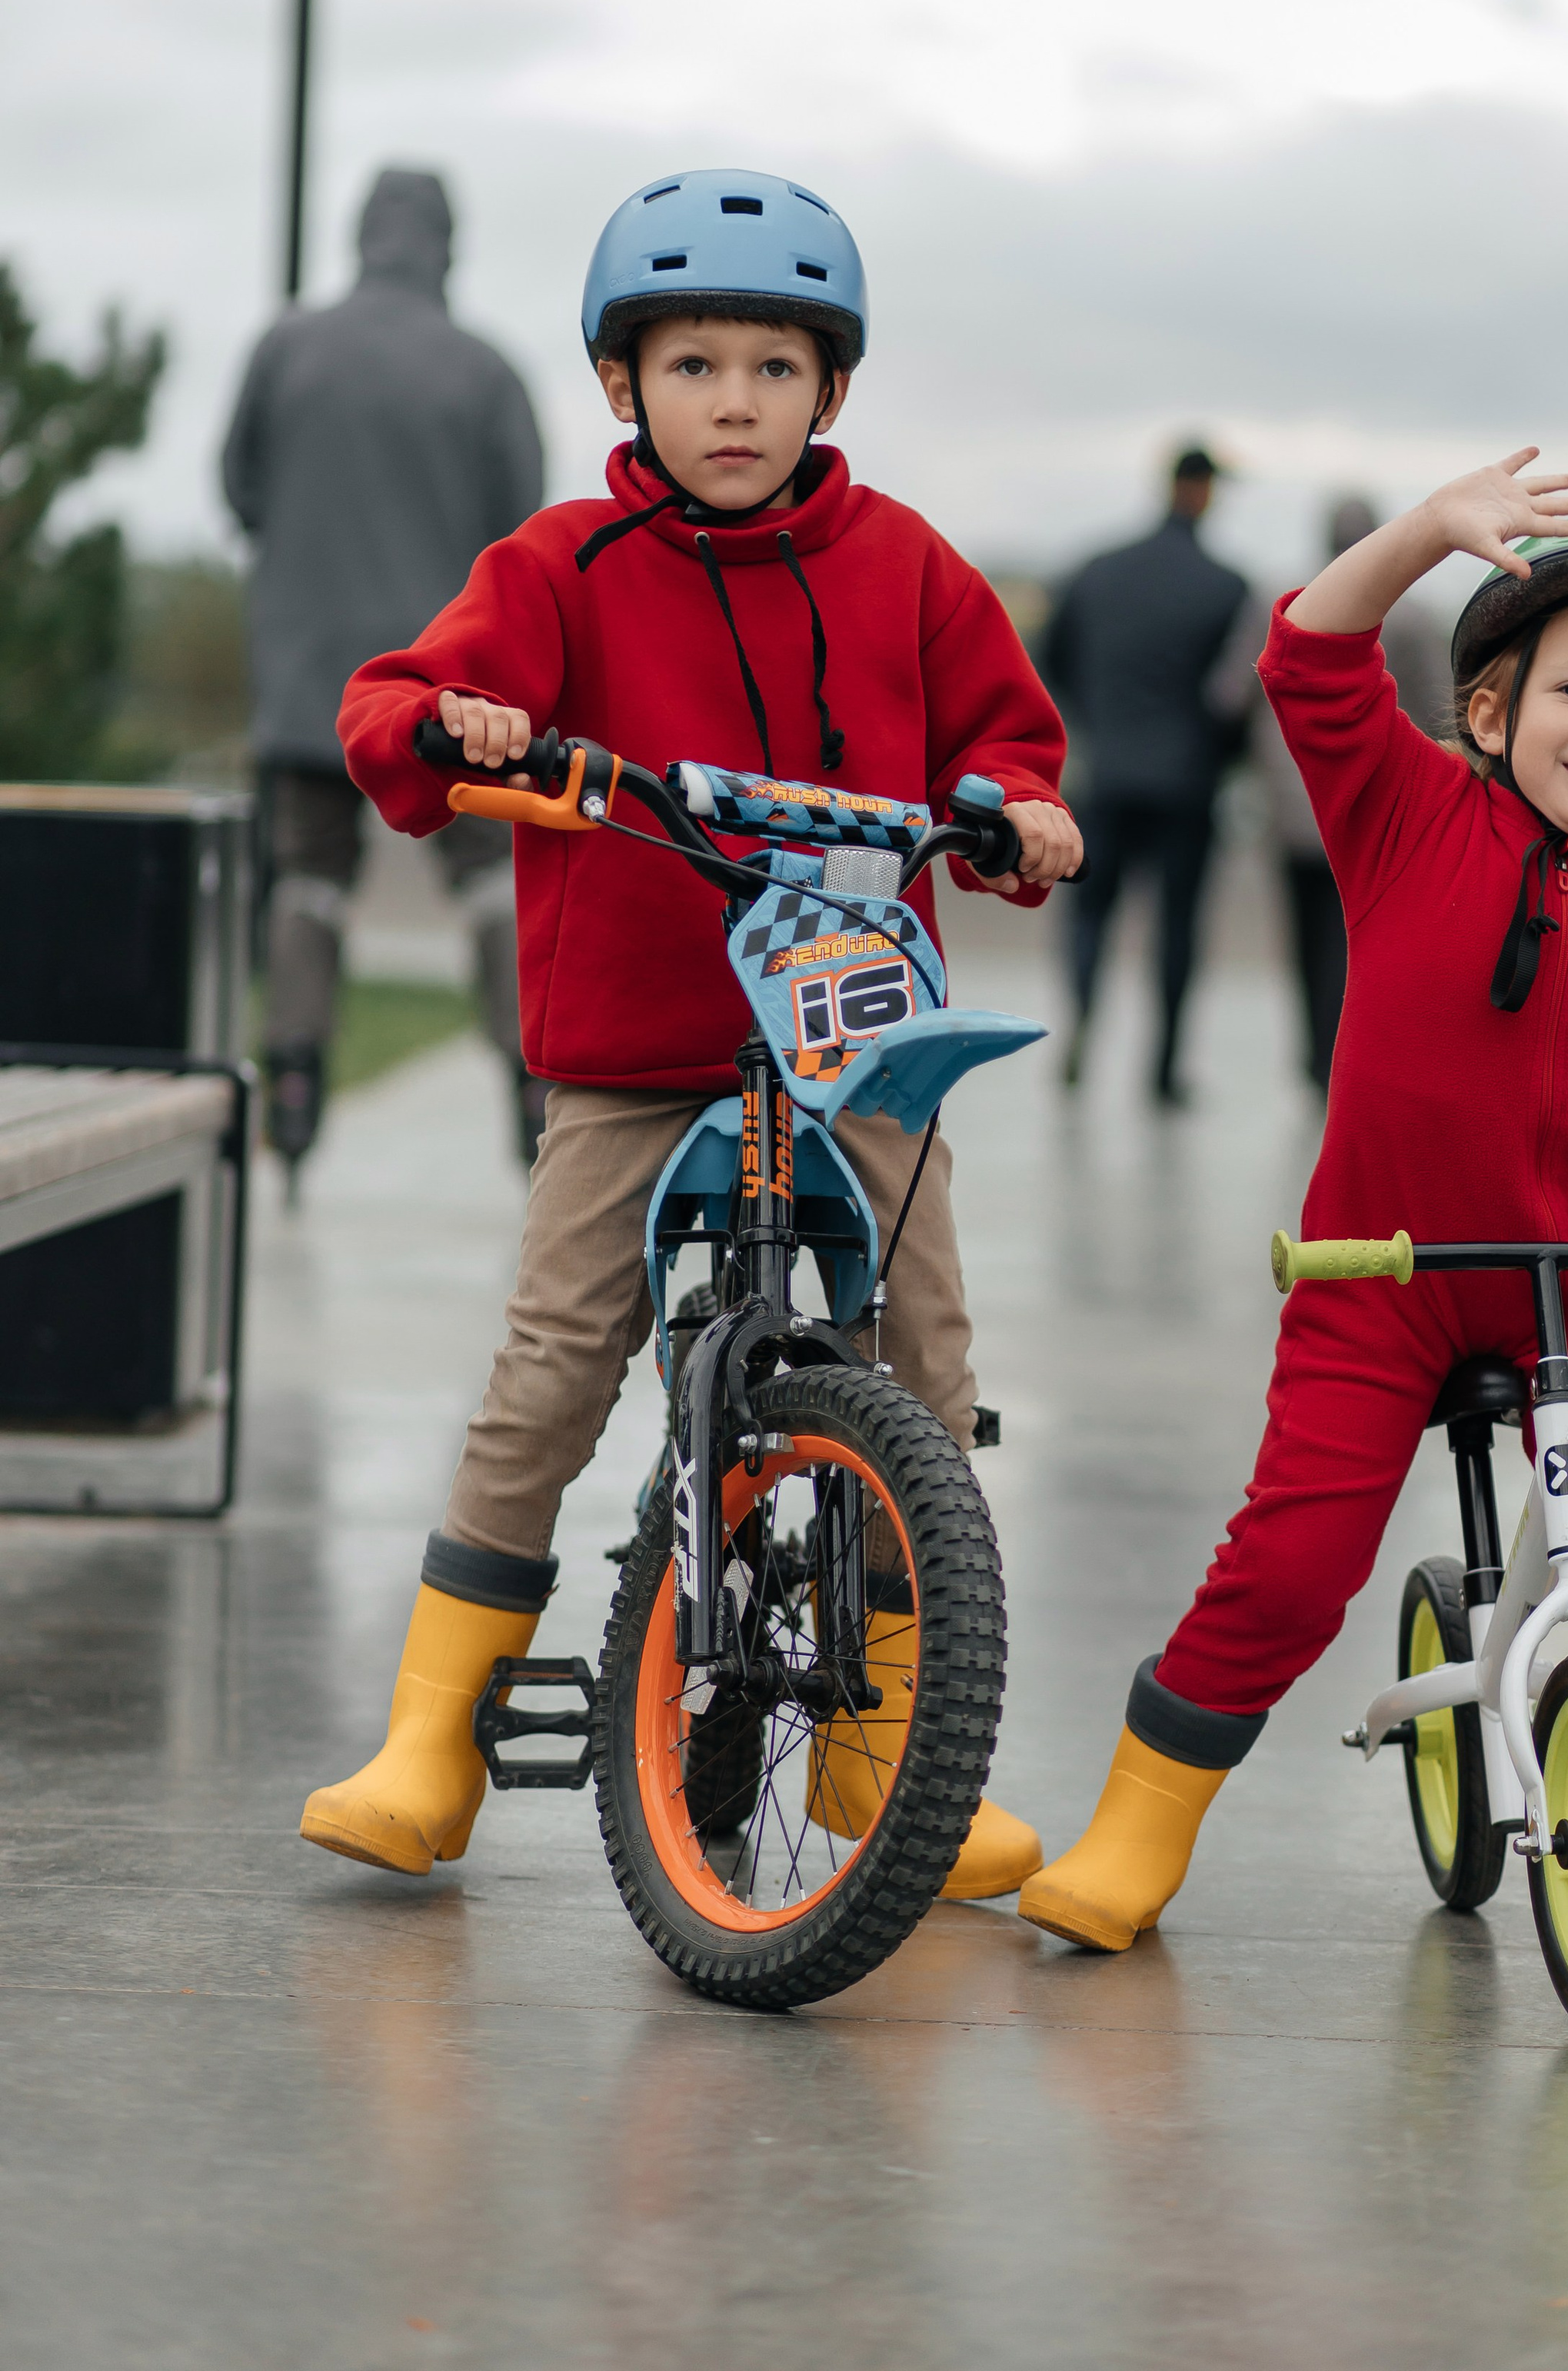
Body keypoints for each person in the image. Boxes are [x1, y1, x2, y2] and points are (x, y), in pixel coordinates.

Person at [300, 169, 1080, 1902]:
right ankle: (435, 1737)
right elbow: (386, 707)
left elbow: (1008, 746)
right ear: (622, 389)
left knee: (919, 1368)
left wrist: (1022, 811)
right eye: (696, 364)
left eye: (774, 369)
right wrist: (455, 717)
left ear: (832, 393)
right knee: (552, 1360)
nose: (735, 400)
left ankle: (892, 1743)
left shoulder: (906, 568)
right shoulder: (561, 564)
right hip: (636, 1047)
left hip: (853, 1037)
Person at [1019, 450, 1568, 1979]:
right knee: (1293, 1559)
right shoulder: (1401, 818)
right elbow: (1303, 655)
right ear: (1494, 714)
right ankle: (1138, 1826)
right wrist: (1427, 534)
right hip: (1376, 1277)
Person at [222, 168, 544, 1179]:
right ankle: (530, 1080)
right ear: (449, 245)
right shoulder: (486, 373)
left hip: (312, 676)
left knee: (309, 878)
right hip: (454, 690)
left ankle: (296, 1072)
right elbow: (523, 537)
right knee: (492, 880)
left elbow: (241, 488)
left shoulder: (286, 348)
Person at [1216, 495, 1450, 1093]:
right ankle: (1355, 1055)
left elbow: (1229, 694)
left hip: (1294, 805)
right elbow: (1443, 710)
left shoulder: (1284, 602)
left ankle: (1316, 1056)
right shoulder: (1415, 615)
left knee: (1305, 935)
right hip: (1382, 811)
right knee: (1369, 937)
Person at [1043, 444, 1248, 1104]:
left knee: (1089, 916)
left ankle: (1078, 1032)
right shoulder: (1226, 584)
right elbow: (1238, 694)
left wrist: (1095, 725)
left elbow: (1051, 660)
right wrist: (1221, 755)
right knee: (1178, 927)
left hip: (1105, 773)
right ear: (1208, 490)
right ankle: (1162, 1070)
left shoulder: (1096, 570)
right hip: (1187, 782)